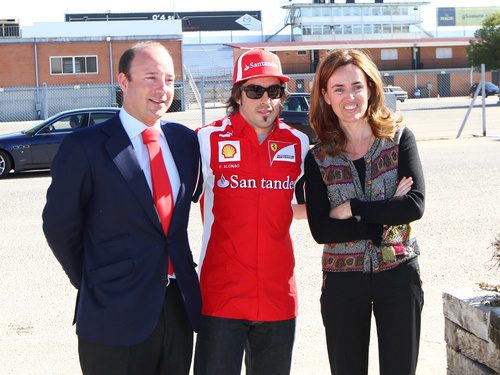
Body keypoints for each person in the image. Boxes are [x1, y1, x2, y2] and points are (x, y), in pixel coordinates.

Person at [42, 41, 201, 375]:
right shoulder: (84, 147)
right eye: (151, 77)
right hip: (112, 314)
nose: (163, 89)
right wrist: (96, 279)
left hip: (177, 310)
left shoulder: (185, 143)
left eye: (170, 80)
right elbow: (59, 226)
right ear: (123, 81)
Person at [304, 49, 425, 375]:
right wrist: (382, 218)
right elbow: (321, 231)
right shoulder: (318, 158)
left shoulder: (399, 139)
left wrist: (353, 209)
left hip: (399, 274)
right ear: (326, 96)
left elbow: (413, 205)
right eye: (339, 89)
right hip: (343, 281)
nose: (349, 97)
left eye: (357, 86)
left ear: (370, 88)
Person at [194, 48, 310, 375]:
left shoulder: (298, 143)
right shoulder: (206, 139)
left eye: (273, 91)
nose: (266, 101)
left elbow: (299, 207)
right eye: (254, 90)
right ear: (238, 94)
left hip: (277, 297)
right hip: (221, 297)